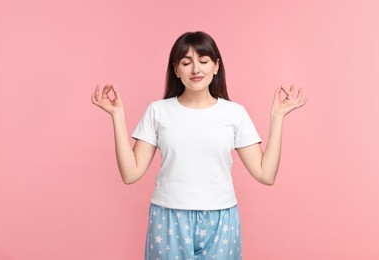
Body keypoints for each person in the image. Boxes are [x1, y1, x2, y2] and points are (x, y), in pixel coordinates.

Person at [91, 31, 307, 260]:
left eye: (203, 61)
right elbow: (130, 173)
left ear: (216, 66)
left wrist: (277, 117)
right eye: (186, 62)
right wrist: (117, 116)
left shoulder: (234, 113)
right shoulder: (158, 111)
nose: (196, 69)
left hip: (221, 219)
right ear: (176, 69)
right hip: (168, 217)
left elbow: (266, 174)